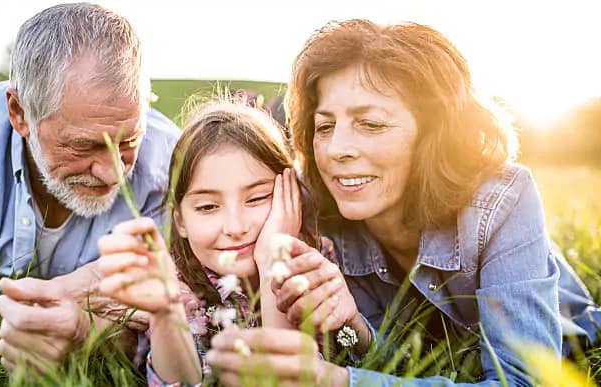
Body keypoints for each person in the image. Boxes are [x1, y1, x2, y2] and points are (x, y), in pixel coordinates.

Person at [206, 19, 601, 386]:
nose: (336, 149)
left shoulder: (502, 201)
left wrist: (339, 381)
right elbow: (393, 360)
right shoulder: (318, 213)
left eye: (371, 124)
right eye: (325, 126)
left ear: (433, 135)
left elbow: (521, 381)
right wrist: (355, 330)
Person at [0, 3, 179, 371]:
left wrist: (87, 329)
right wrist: (82, 295)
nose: (113, 172)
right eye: (84, 146)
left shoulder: (171, 162)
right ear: (19, 113)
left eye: (129, 141)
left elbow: (170, 321)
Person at [96, 102, 346, 385]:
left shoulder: (314, 262)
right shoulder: (178, 284)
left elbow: (291, 378)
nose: (236, 227)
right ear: (180, 221)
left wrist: (273, 261)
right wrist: (166, 313)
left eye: (256, 198)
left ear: (290, 195)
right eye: (207, 207)